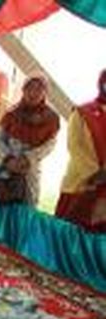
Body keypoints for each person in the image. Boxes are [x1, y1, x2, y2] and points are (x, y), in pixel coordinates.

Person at [0, 75, 59, 205]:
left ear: (45, 92)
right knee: (0, 199)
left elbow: (49, 145)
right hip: (5, 163)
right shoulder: (12, 113)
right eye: (29, 88)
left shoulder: (51, 118)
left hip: (29, 167)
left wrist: (27, 158)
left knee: (27, 203)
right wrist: (9, 159)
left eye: (39, 89)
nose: (33, 93)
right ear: (23, 90)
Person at [56, 69, 106, 232]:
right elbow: (75, 145)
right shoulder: (82, 112)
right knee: (70, 231)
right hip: (81, 181)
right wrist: (94, 173)